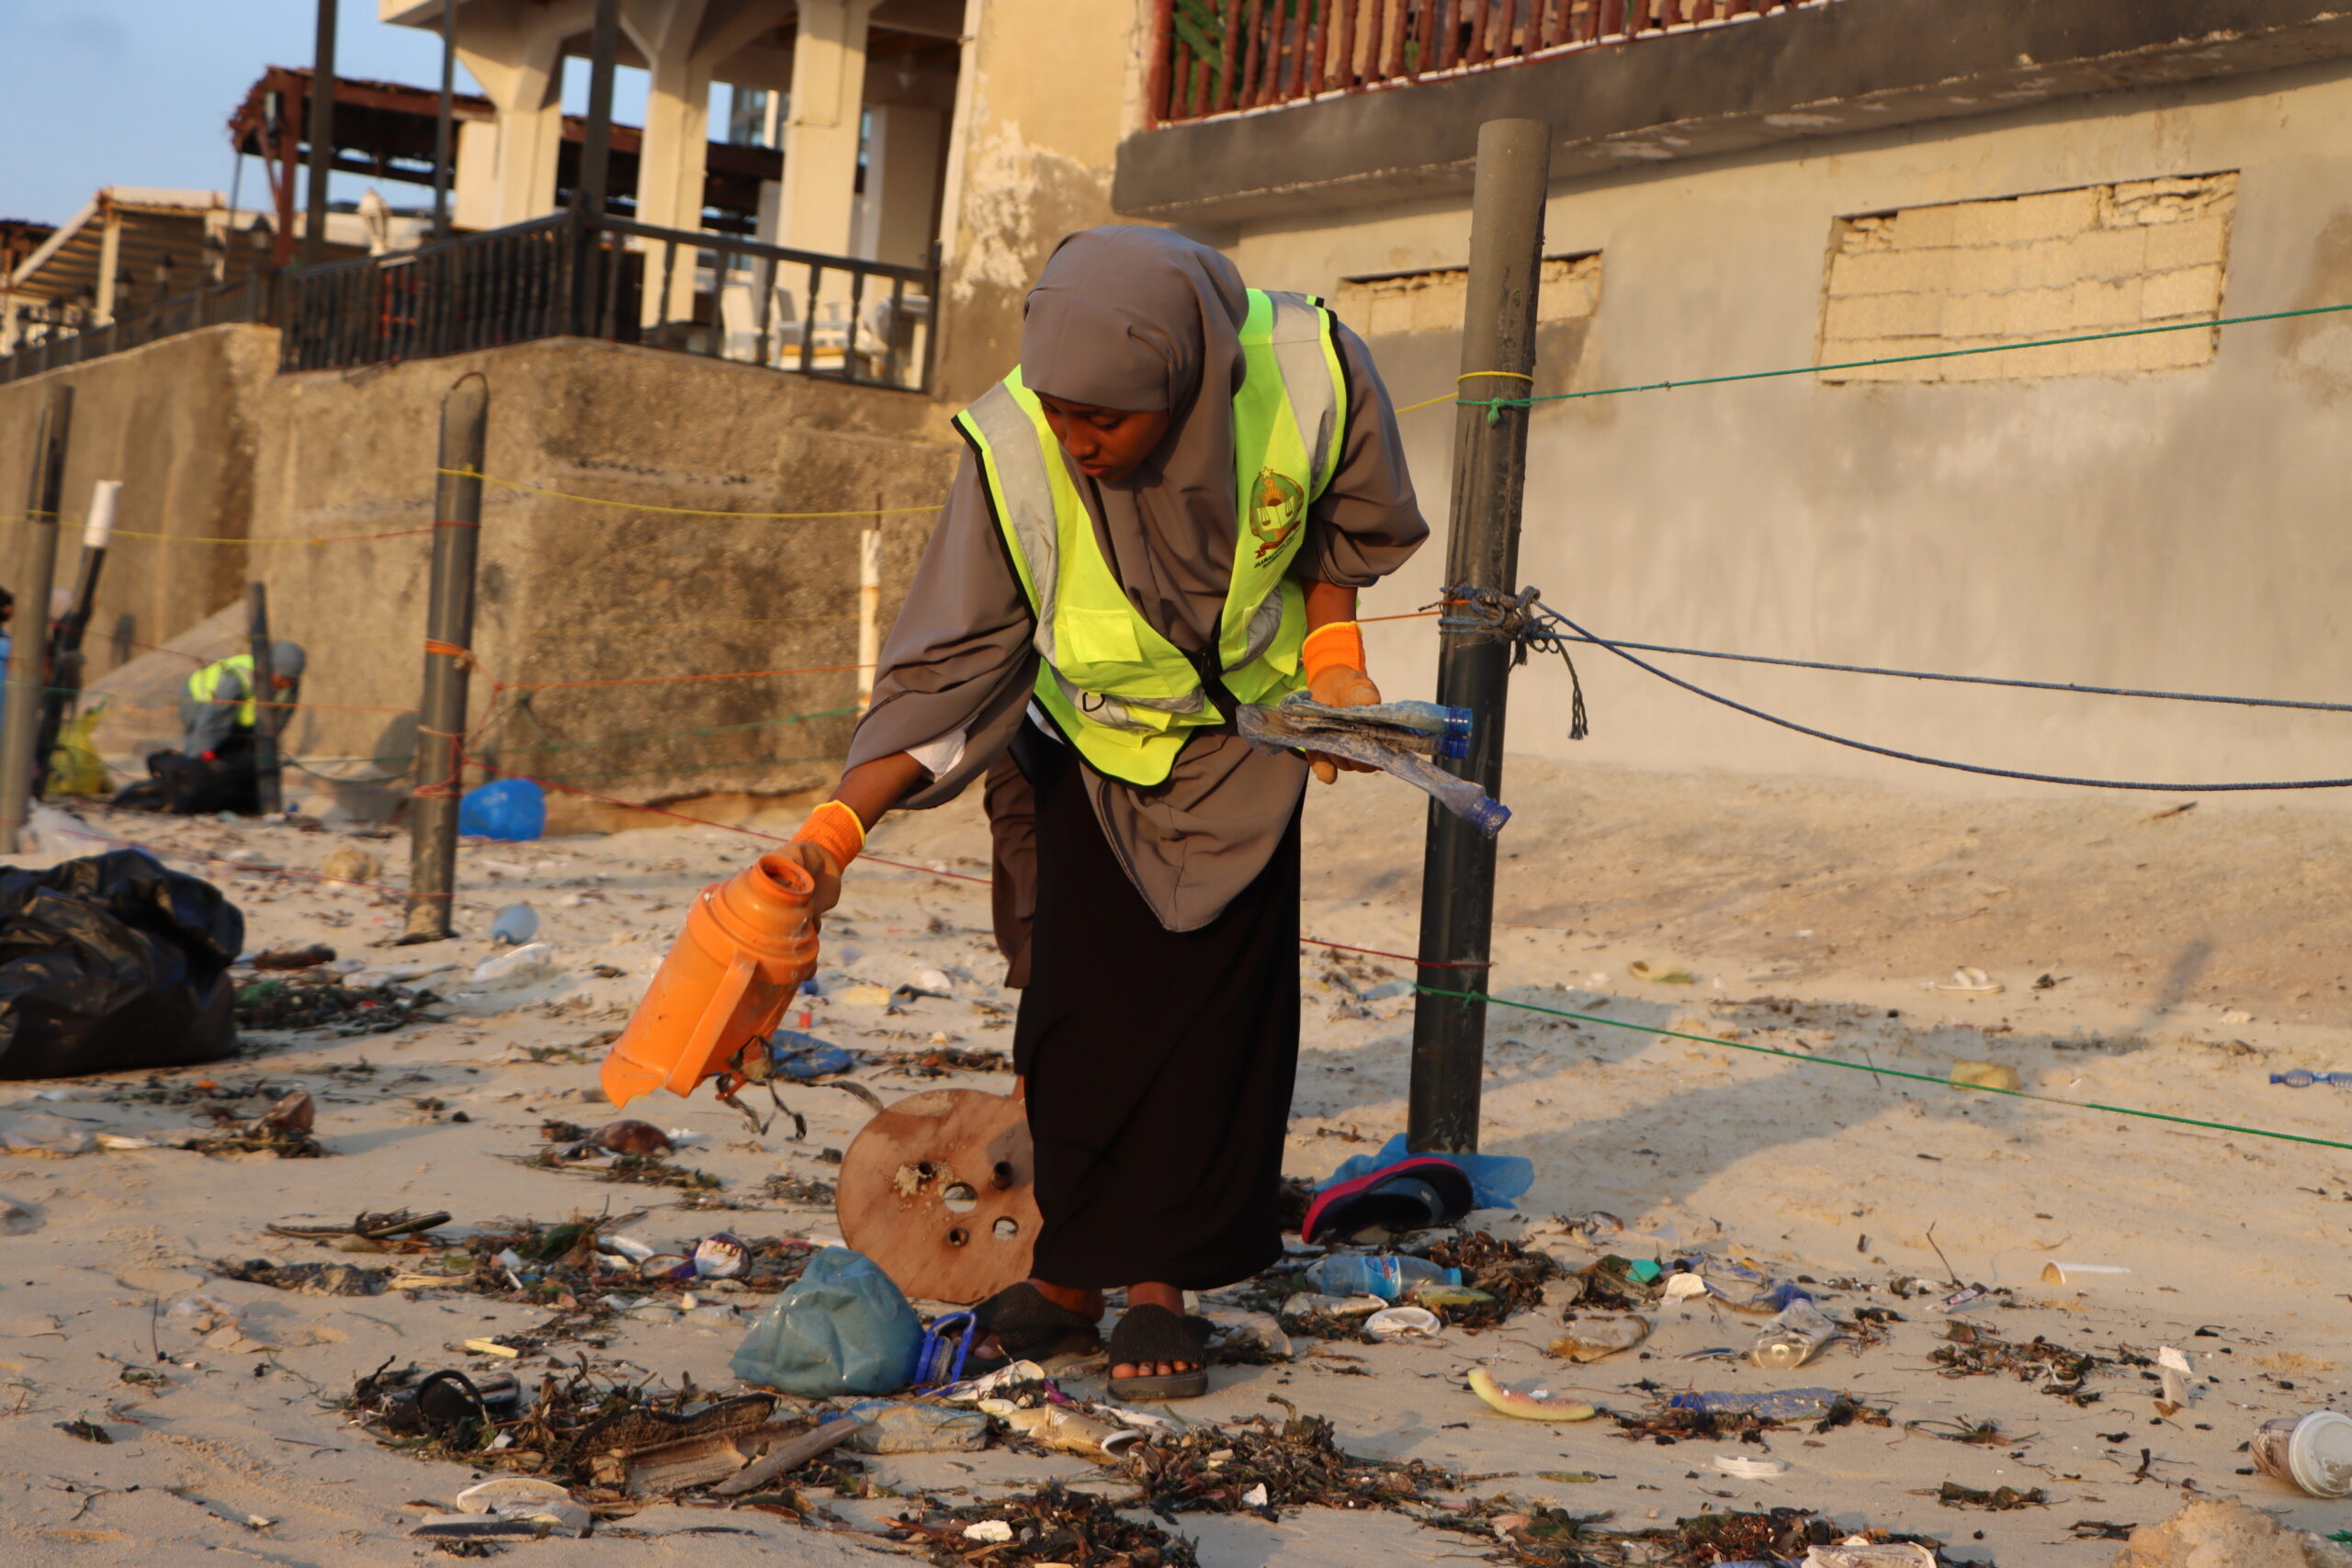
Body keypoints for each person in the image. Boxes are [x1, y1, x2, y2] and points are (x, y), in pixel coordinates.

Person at [775, 227, 1428, 1401]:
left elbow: (1339, 525)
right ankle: (1073, 1273)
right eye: (1060, 410)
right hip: (1087, 750)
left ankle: (1160, 1285)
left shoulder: (1310, 372)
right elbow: (950, 664)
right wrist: (831, 836)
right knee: (1075, 1019)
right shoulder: (1017, 445)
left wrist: (1334, 656)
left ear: (1182, 378)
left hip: (1247, 756)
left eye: (1104, 421)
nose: (1076, 441)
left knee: (1212, 1029)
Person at [125, 642, 306, 815]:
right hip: (200, 703)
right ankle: (186, 791)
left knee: (239, 758)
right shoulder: (241, 677)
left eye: (291, 680)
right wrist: (202, 756)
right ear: (270, 667)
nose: (286, 684)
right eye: (282, 678)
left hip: (239, 719)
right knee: (204, 757)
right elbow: (213, 720)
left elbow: (278, 722)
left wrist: (264, 747)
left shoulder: (289, 689)